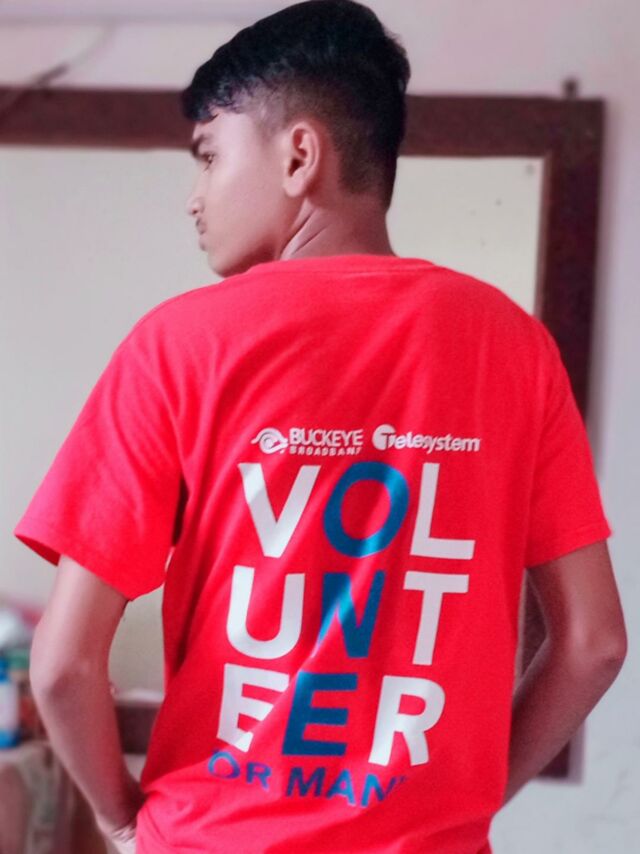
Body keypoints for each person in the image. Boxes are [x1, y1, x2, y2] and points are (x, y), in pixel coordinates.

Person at [13, 1, 627, 852]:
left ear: (300, 156)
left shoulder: (180, 344)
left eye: (209, 156)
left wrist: (123, 818)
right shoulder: (515, 347)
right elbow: (593, 642)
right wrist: (470, 802)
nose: (195, 198)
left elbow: (63, 665)